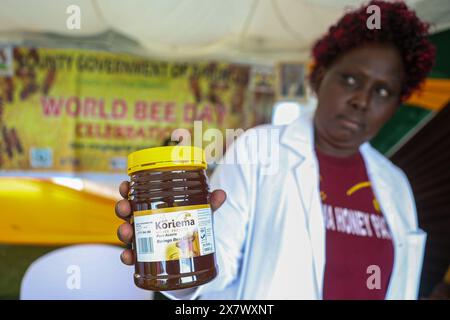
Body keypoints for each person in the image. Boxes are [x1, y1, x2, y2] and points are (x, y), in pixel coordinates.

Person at [115, 0, 435, 299]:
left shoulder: (395, 184)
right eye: (350, 80)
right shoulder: (258, 149)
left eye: (382, 91)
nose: (362, 101)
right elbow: (217, 268)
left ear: (396, 103)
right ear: (320, 77)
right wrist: (176, 255)